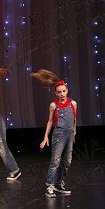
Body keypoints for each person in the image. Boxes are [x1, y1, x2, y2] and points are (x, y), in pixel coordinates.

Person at [32, 69, 78, 198]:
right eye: (59, 92)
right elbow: (50, 121)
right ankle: (50, 185)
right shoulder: (53, 105)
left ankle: (59, 183)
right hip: (59, 135)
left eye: (64, 91)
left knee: (67, 161)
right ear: (55, 93)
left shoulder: (73, 104)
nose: (62, 94)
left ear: (67, 91)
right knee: (55, 161)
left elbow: (74, 119)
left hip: (69, 135)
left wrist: (74, 132)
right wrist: (45, 136)